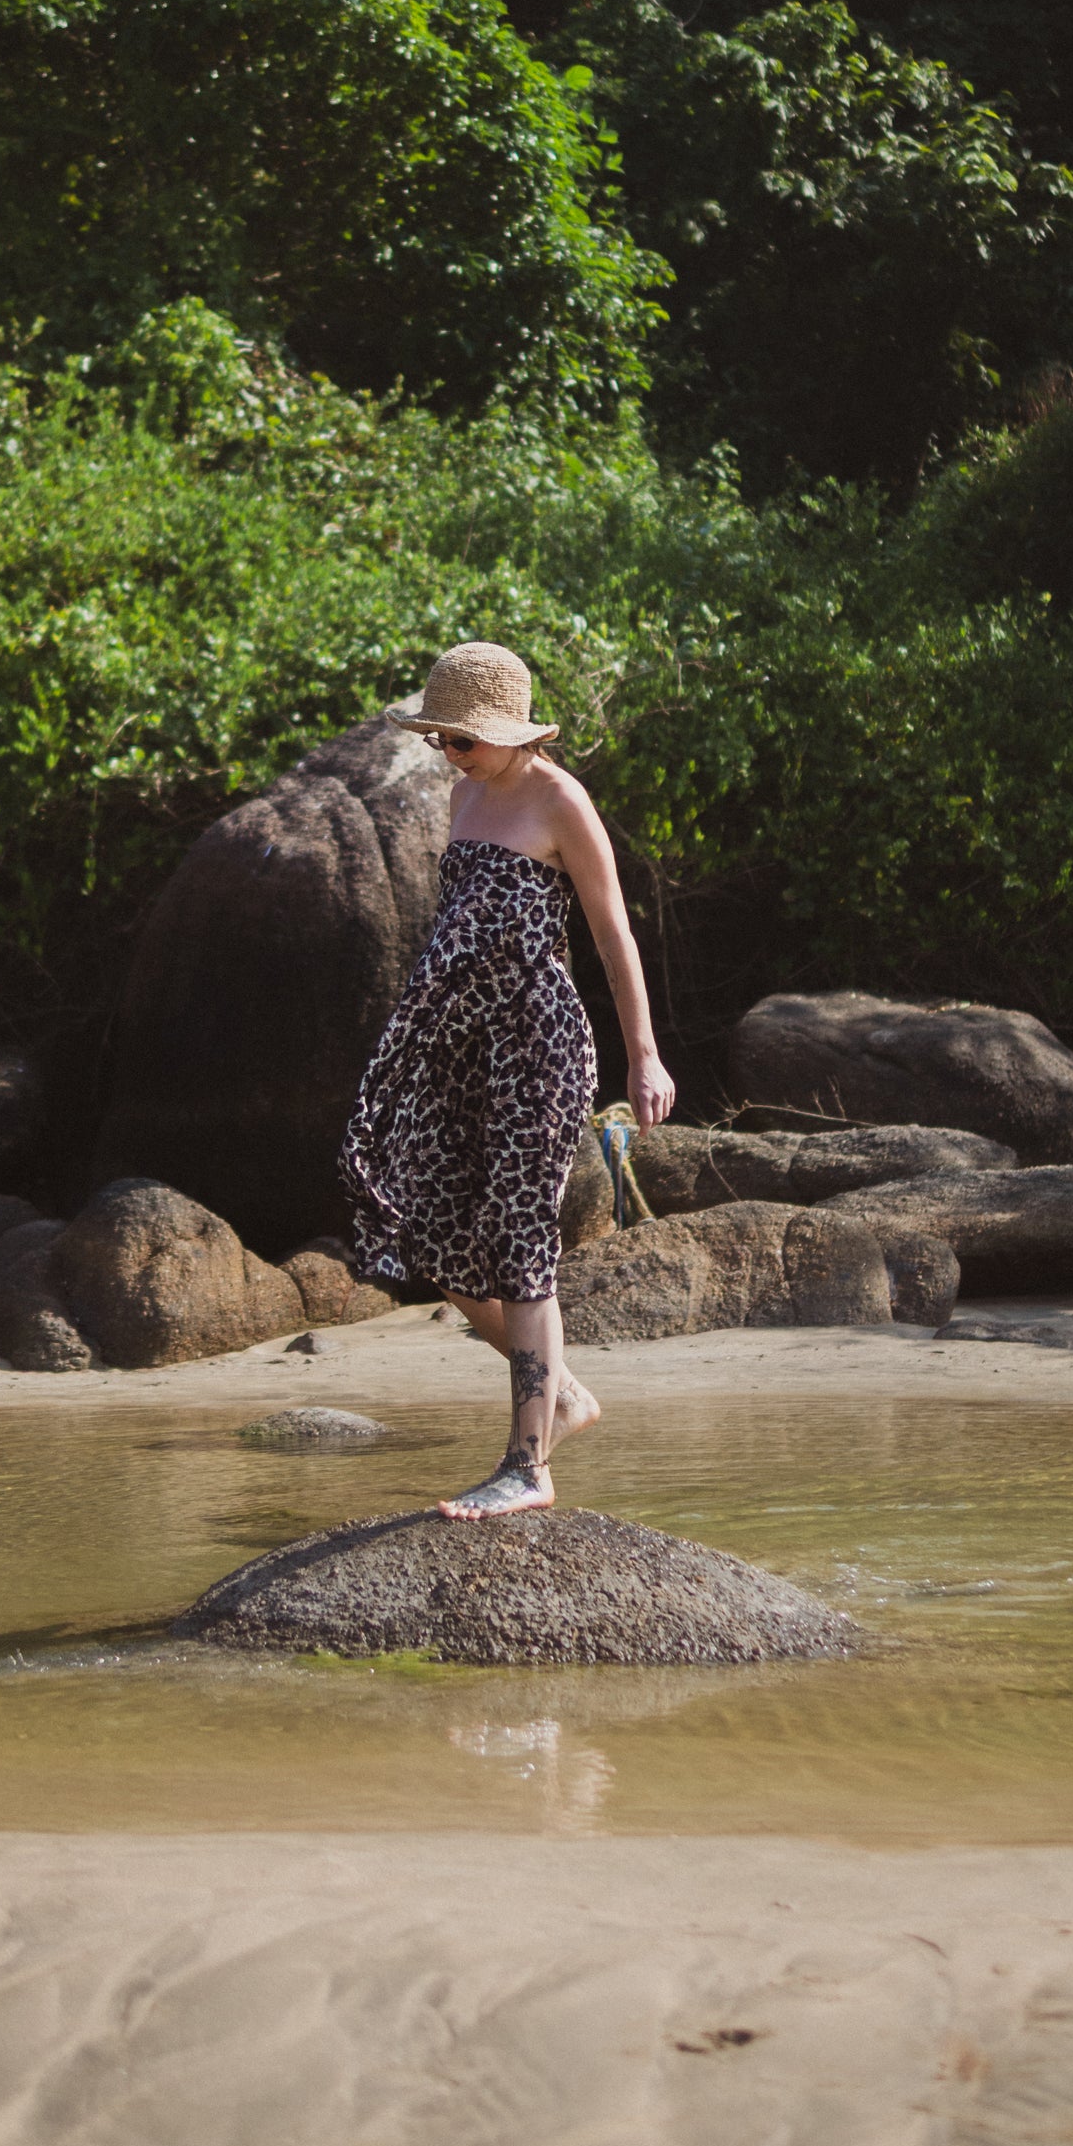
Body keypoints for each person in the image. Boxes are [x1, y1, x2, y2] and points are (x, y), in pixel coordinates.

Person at [340, 641, 676, 1517]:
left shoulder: (560, 800)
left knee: (524, 1241)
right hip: (460, 1046)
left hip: (538, 1043)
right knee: (428, 1229)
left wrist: (644, 1054)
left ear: (508, 731)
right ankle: (561, 1395)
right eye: (439, 738)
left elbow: (612, 935)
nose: (447, 753)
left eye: (461, 739)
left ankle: (528, 1466)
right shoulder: (464, 796)